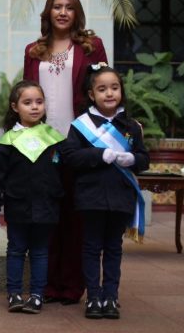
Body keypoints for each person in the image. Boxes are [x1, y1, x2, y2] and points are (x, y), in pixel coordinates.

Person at [23, 0, 108, 305]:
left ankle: (72, 285)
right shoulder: (34, 51)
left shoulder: (91, 47)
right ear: (48, 12)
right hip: (43, 144)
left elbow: (103, 89)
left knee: (76, 216)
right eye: (57, 7)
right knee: (46, 216)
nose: (62, 12)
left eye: (69, 7)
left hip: (79, 143)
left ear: (76, 13)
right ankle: (46, 283)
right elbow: (24, 94)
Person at [62, 65, 149, 320]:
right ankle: (93, 296)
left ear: (121, 91)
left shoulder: (131, 126)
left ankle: (110, 296)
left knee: (113, 248)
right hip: (91, 197)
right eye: (102, 89)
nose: (109, 93)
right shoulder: (81, 126)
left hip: (121, 197)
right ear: (92, 95)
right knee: (91, 247)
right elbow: (70, 156)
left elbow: (144, 159)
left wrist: (132, 159)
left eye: (114, 88)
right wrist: (99, 154)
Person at [0, 80, 64, 314]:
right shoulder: (8, 142)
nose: (34, 107)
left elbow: (63, 170)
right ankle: (14, 294)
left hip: (46, 206)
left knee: (40, 251)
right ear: (15, 107)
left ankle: (37, 295)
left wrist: (57, 195)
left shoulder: (54, 139)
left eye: (39, 102)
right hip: (17, 205)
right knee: (16, 249)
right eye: (27, 102)